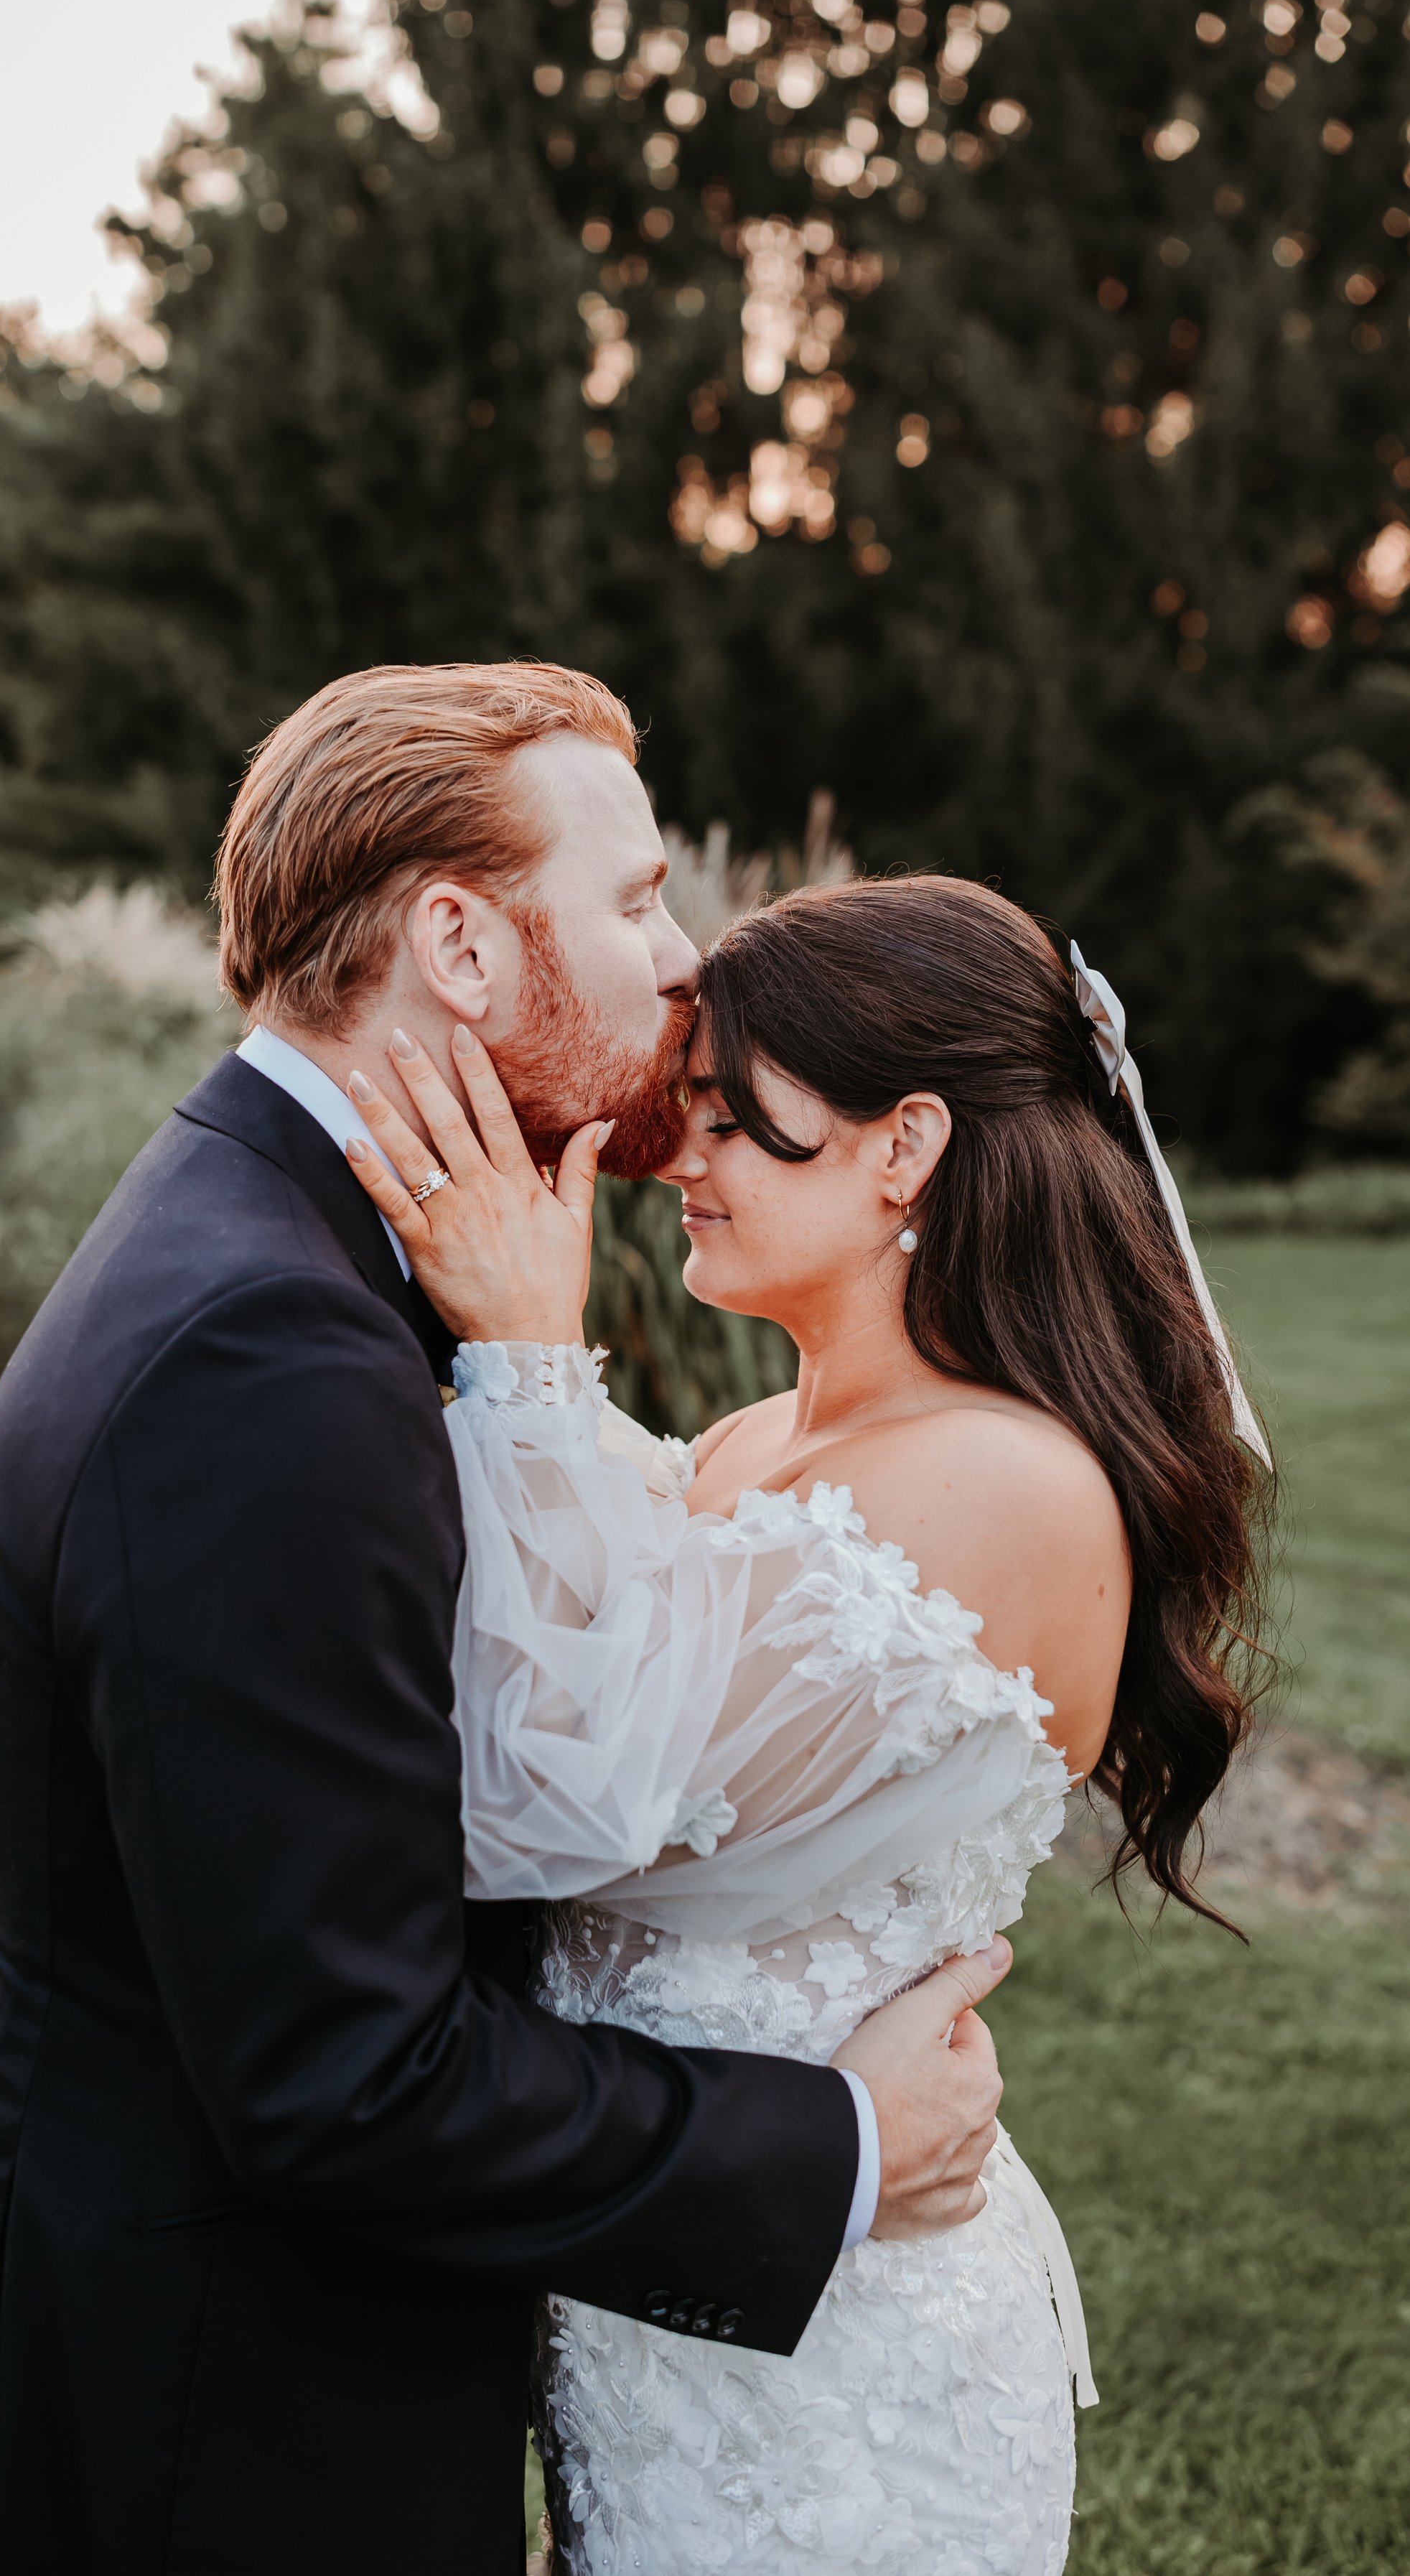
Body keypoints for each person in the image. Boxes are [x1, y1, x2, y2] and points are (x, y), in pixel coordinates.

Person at [0, 665, 1013, 2576]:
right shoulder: (270, 1352)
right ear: (459, 944)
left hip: (175, 2320)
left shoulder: (286, 1236)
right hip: (216, 2420)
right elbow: (340, 2071)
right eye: (635, 898)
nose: (682, 958)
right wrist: (835, 2141)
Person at [342, 873, 1272, 2576]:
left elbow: (562, 1803)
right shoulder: (747, 1447)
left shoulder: (1004, 1480)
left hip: (848, 2371)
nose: (677, 1164)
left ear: (901, 1146)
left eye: (730, 1124)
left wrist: (531, 1359)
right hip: (684, 2289)